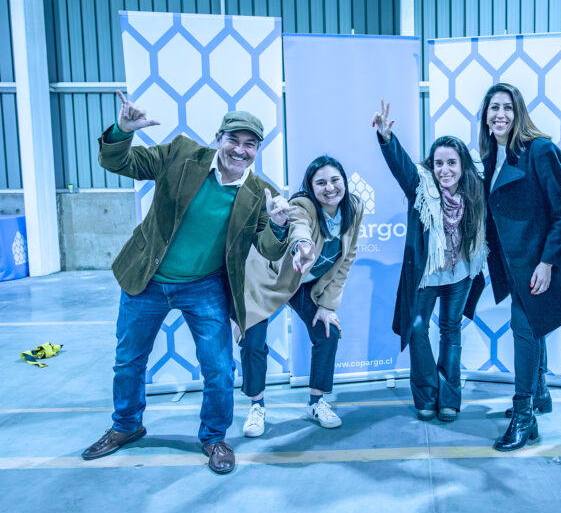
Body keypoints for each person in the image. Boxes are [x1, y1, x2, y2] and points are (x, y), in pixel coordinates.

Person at [81, 91, 304, 474]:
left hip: (203, 286)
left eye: (250, 144)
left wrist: (281, 225)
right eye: (233, 139)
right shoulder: (181, 155)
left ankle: (215, 437)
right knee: (129, 361)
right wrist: (123, 130)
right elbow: (117, 161)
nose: (240, 150)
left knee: (219, 367)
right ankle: (126, 426)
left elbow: (268, 249)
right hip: (147, 277)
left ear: (257, 151)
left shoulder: (260, 193)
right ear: (219, 138)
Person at [478, 83, 561, 451]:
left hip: (537, 263)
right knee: (531, 329)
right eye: (493, 108)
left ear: (519, 112)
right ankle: (538, 395)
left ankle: (524, 415)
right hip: (512, 264)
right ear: (486, 116)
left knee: (523, 331)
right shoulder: (492, 156)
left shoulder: (540, 150)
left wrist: (547, 262)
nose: (500, 114)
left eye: (507, 107)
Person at [374, 100, 487, 422]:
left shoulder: (476, 191)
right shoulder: (420, 188)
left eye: (452, 162)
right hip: (426, 277)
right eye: (438, 163)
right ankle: (426, 395)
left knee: (451, 331)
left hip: (461, 275)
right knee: (417, 329)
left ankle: (449, 397)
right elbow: (402, 166)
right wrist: (386, 137)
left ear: (462, 165)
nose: (445, 170)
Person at [239, 156, 364, 434]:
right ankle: (256, 406)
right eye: (320, 183)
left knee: (327, 332)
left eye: (335, 180)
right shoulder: (302, 205)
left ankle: (316, 402)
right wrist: (303, 247)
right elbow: (299, 228)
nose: (329, 188)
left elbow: (347, 256)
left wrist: (328, 305)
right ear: (311, 186)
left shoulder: (354, 207)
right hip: (272, 279)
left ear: (344, 181)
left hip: (309, 285)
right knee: (252, 341)